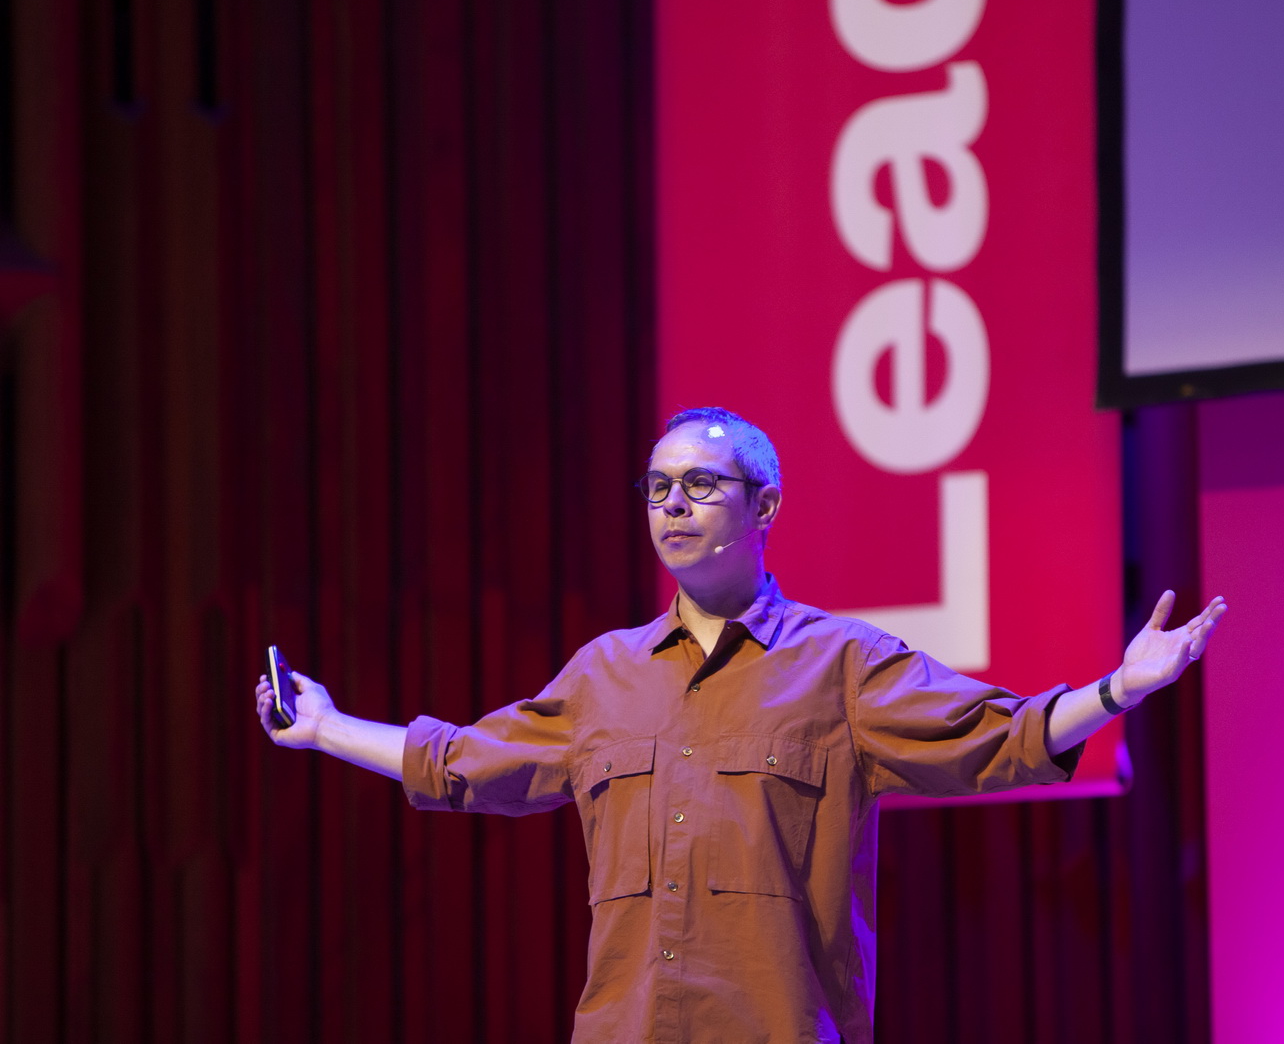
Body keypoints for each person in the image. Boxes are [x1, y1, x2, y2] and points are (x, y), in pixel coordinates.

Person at [255, 406, 1226, 1043]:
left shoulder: (840, 664)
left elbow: (1001, 735)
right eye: (656, 485)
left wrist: (1116, 688)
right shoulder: (606, 674)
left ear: (765, 506)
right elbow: (465, 762)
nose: (672, 503)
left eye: (700, 485)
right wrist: (330, 725)